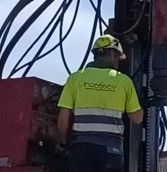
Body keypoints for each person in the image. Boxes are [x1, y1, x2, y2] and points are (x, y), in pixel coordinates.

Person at [57, 35, 144, 171]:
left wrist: (62, 141)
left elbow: (63, 116)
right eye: (117, 57)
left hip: (82, 148)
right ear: (112, 54)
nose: (117, 61)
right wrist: (142, 102)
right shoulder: (124, 81)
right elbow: (137, 119)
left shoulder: (75, 78)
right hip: (111, 151)